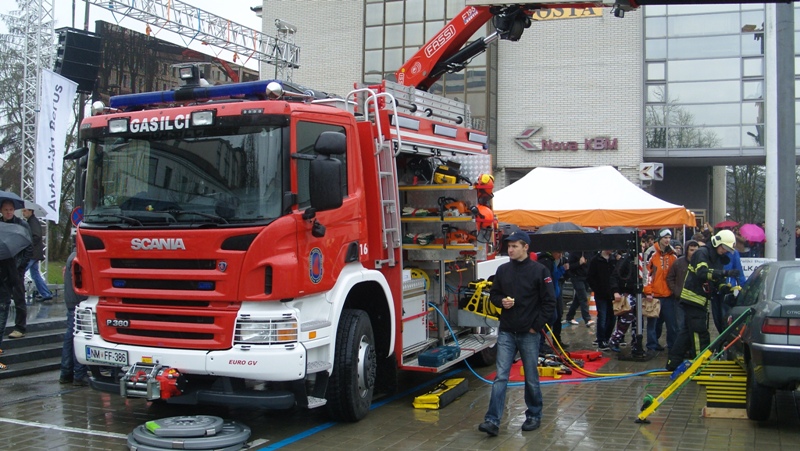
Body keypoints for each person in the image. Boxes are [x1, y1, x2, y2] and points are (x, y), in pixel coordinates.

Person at [478, 231, 556, 437]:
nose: (510, 250)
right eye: (509, 246)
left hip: (529, 333)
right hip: (507, 331)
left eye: (514, 246)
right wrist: (501, 301)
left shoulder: (540, 271)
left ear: (525, 247)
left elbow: (550, 302)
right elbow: (494, 294)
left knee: (530, 376)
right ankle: (492, 420)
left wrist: (535, 326)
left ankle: (534, 415)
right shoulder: (503, 270)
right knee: (501, 376)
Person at [666, 230, 739, 371]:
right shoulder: (702, 253)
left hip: (700, 301)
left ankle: (672, 363)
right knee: (699, 333)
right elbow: (702, 273)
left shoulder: (717, 257)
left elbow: (716, 279)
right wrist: (725, 272)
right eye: (724, 248)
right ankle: (700, 364)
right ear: (717, 242)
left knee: (686, 333)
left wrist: (724, 288)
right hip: (693, 299)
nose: (725, 251)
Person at [1, 199, 32, 339]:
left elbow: (29, 247)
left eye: (10, 210)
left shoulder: (22, 224)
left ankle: (20, 327)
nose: (8, 212)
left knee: (19, 296)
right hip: (3, 266)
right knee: (3, 299)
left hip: (16, 267)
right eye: (6, 210)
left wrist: (21, 266)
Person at [643, 228, 678, 352]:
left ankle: (672, 346)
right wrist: (648, 291)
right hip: (654, 294)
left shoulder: (673, 254)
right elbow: (646, 273)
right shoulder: (650, 252)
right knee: (653, 323)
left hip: (669, 294)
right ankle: (652, 345)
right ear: (660, 238)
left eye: (669, 238)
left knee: (671, 323)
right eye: (665, 238)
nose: (667, 240)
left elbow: (676, 274)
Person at [60, 251, 90, 386]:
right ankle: (78, 373)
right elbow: (79, 282)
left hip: (73, 301)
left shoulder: (73, 256)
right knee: (77, 336)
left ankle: (67, 373)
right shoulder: (78, 258)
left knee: (71, 336)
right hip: (78, 302)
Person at [607, 249, 640, 352]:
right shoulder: (626, 259)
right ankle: (614, 340)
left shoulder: (643, 258)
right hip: (627, 292)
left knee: (638, 321)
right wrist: (616, 291)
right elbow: (615, 276)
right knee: (627, 318)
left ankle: (636, 344)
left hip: (638, 293)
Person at [666, 240, 700, 334]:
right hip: (680, 299)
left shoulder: (701, 263)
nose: (693, 253)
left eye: (696, 250)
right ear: (686, 251)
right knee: (680, 326)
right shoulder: (678, 262)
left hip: (695, 299)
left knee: (693, 325)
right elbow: (670, 278)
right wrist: (676, 290)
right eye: (691, 250)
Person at [587, 249, 617, 351]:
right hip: (601, 294)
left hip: (612, 293)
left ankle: (607, 337)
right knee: (602, 317)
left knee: (612, 318)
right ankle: (601, 340)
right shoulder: (596, 260)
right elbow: (590, 277)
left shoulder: (613, 259)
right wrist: (597, 289)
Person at [537, 250, 568, 350]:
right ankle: (540, 341)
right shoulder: (546, 262)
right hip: (550, 295)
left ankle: (550, 340)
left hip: (555, 293)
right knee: (551, 317)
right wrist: (562, 269)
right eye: (559, 253)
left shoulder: (551, 261)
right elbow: (552, 277)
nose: (560, 255)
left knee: (556, 316)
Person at [21, 207, 53, 303]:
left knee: (20, 271)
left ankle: (16, 293)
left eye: (25, 211)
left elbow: (37, 236)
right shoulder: (32, 221)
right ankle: (46, 294)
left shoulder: (32, 222)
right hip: (35, 253)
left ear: (31, 211)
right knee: (35, 274)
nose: (23, 213)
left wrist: (27, 244)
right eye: (23, 211)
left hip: (32, 253)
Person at [565, 250, 594, 327]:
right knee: (583, 297)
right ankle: (587, 319)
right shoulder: (574, 253)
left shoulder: (590, 252)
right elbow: (569, 266)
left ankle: (569, 316)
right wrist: (579, 263)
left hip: (586, 278)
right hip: (576, 277)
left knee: (578, 299)